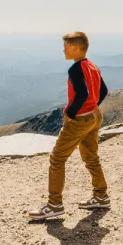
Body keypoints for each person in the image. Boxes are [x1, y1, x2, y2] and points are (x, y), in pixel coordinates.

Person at [29, 31, 110, 220]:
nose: (63, 50)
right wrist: (93, 107)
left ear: (74, 48)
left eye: (65, 46)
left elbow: (82, 93)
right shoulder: (92, 66)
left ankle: (54, 204)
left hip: (80, 119)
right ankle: (101, 196)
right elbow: (103, 91)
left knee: (57, 159)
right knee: (91, 157)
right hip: (94, 116)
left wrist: (70, 113)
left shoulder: (75, 69)